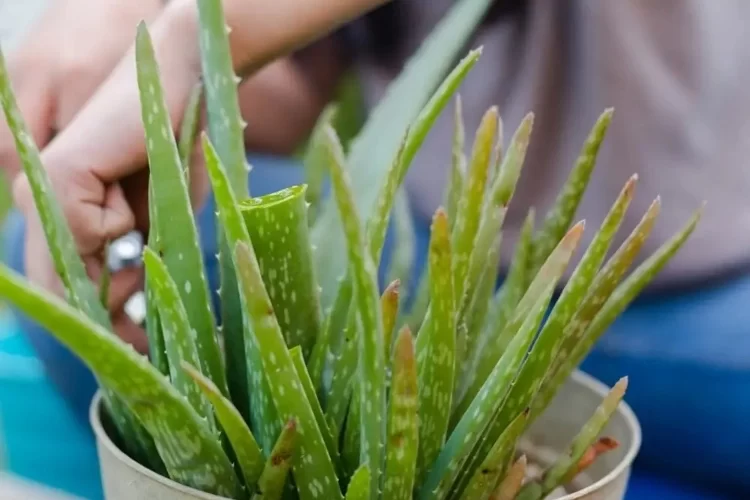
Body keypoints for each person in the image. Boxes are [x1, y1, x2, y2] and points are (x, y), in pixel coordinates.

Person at [2, 0, 750, 497]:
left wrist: (171, 32)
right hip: (436, 250)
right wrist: (133, 76)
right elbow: (294, 94)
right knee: (54, 244)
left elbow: (216, 33)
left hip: (701, 290)